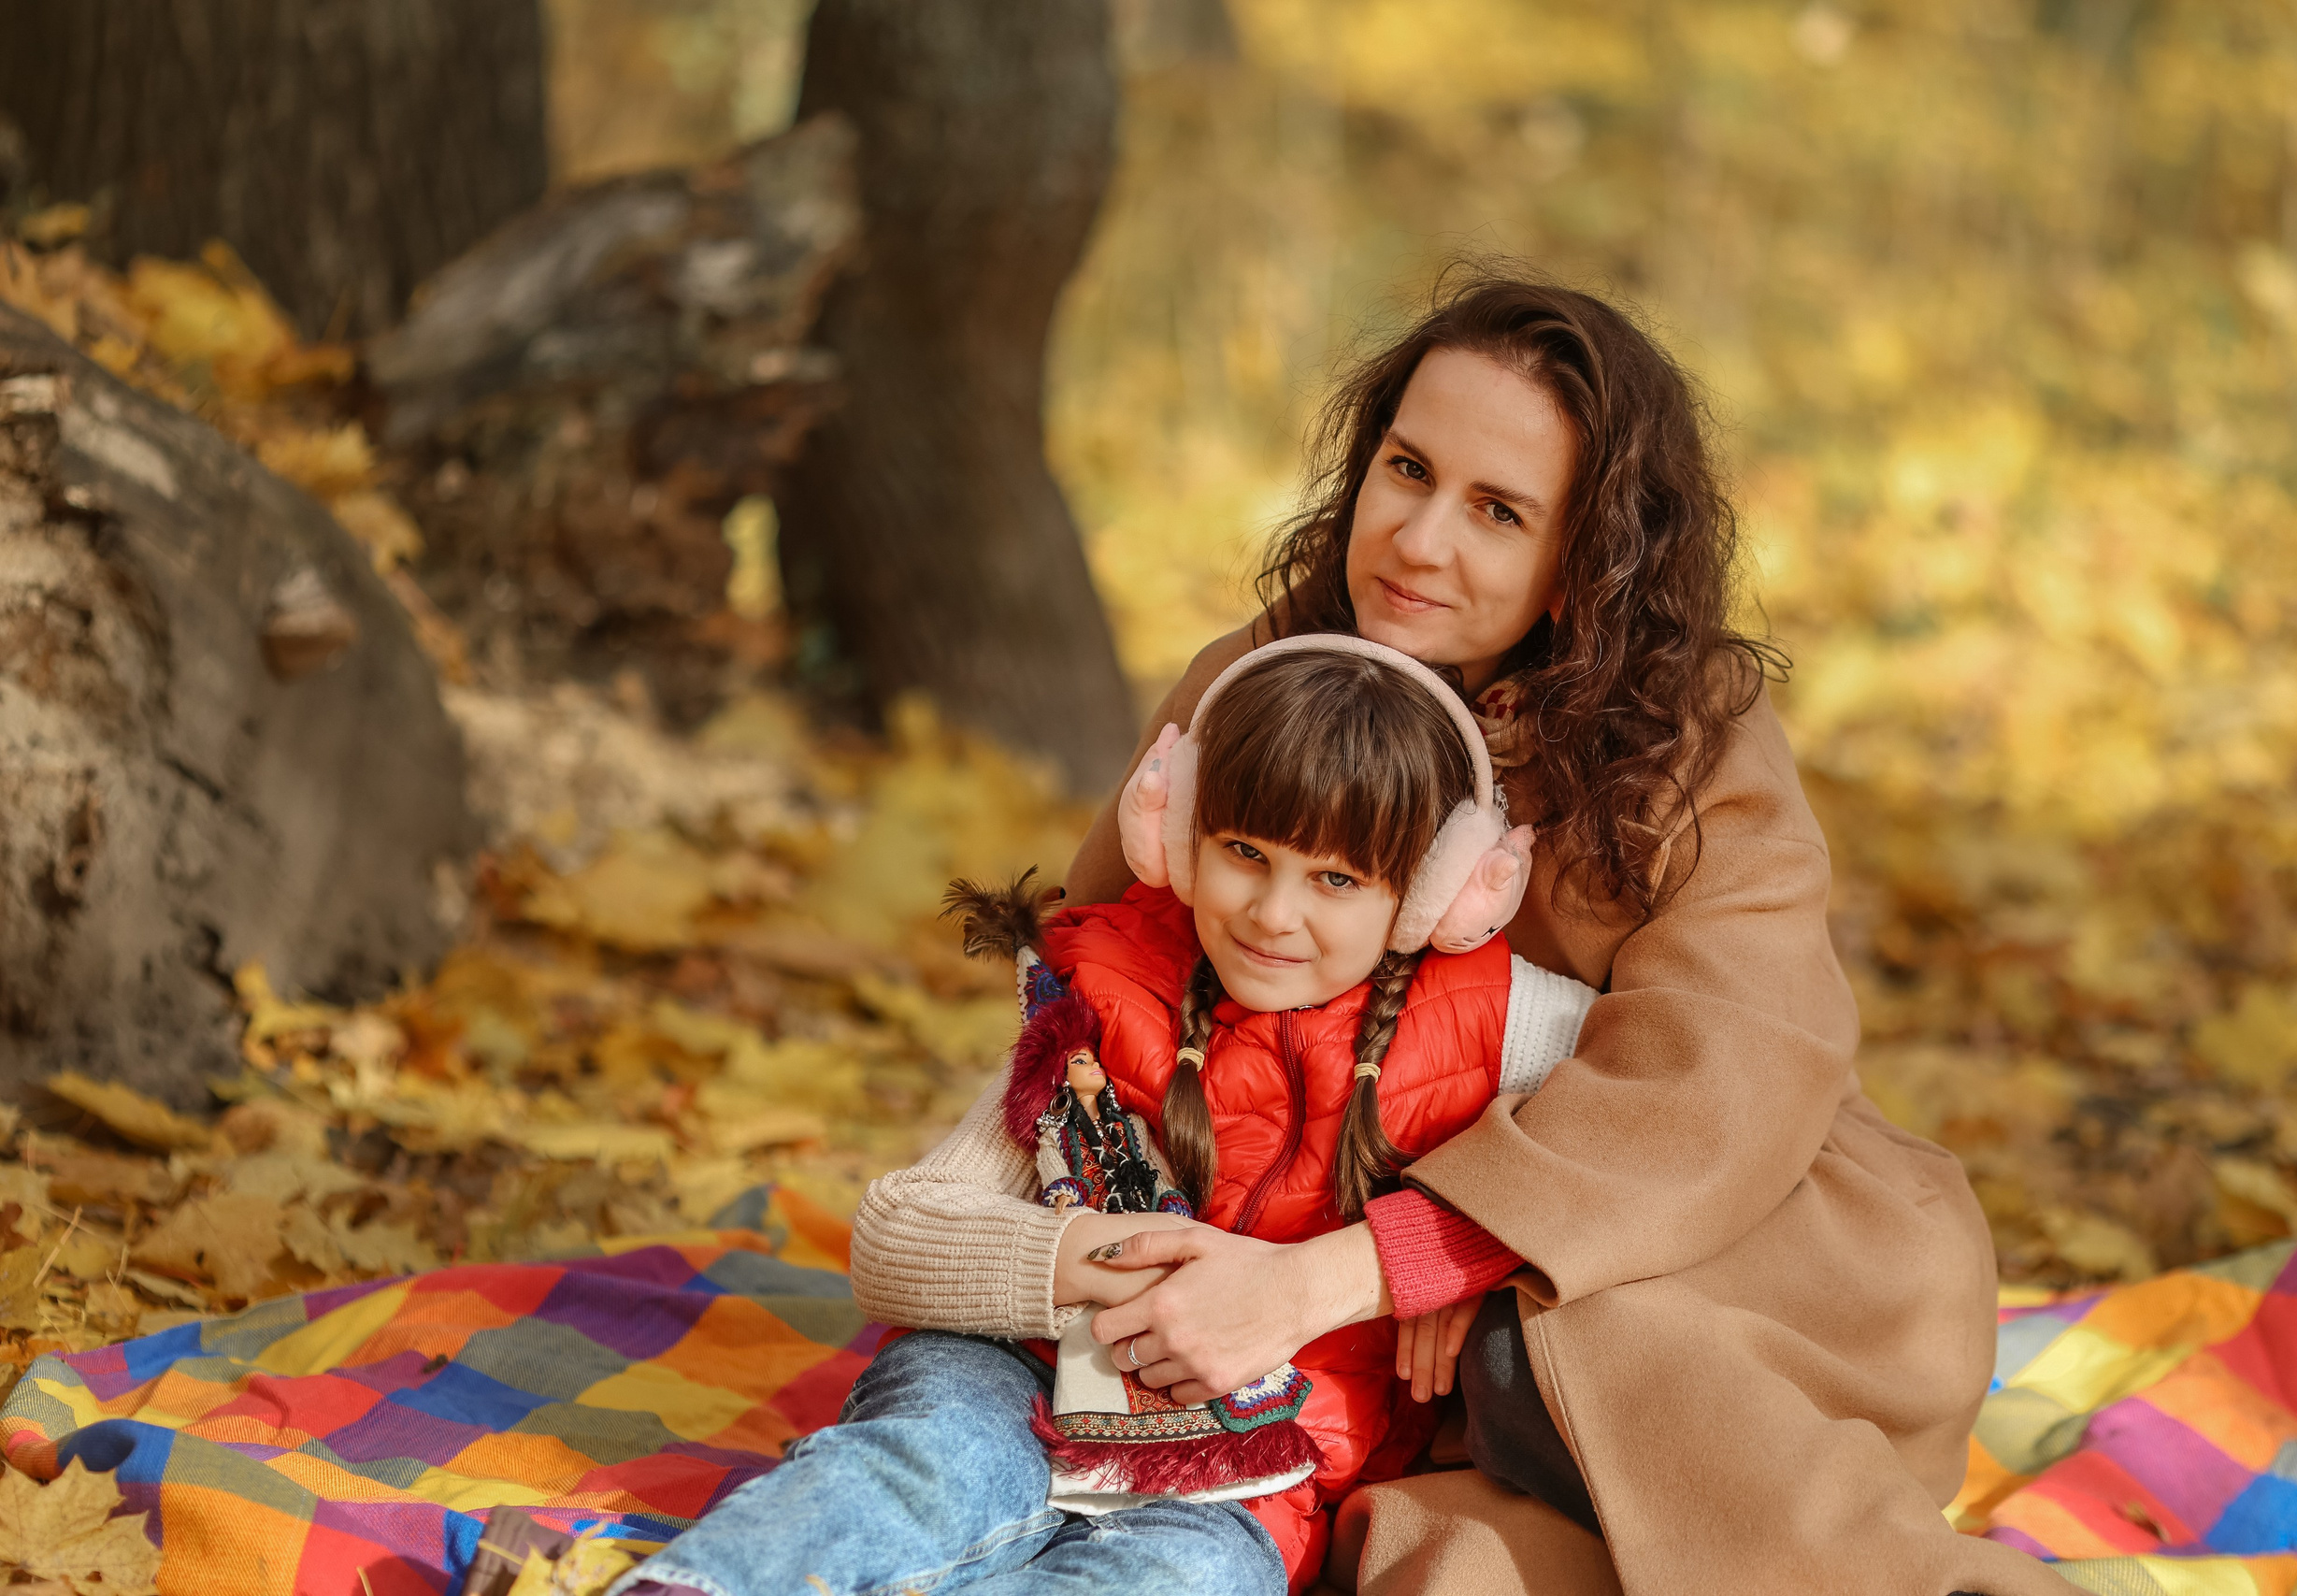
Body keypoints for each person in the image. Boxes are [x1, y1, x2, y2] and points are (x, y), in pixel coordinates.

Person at [869, 272, 2078, 1595]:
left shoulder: (1692, 739)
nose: (1418, 540)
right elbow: (1111, 998)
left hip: (1736, 1265)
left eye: (1497, 511)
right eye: (1408, 470)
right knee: (1421, 1556)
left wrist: (1408, 1247)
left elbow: (1730, 1072)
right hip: (1375, 1335)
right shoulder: (1261, 679)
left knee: (1552, 1343)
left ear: (1586, 557)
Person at [611, 638, 1604, 1596]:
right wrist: (1077, 1256)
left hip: (1246, 1473)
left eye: (1336, 879)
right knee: (920, 1474)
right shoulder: (1107, 992)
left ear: (1440, 894)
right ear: (1175, 828)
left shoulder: (1498, 1022)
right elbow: (894, 1233)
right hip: (1011, 1375)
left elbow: (1633, 1128)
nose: (1271, 913)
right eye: (1244, 852)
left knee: (1189, 1580)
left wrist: (1454, 1249)